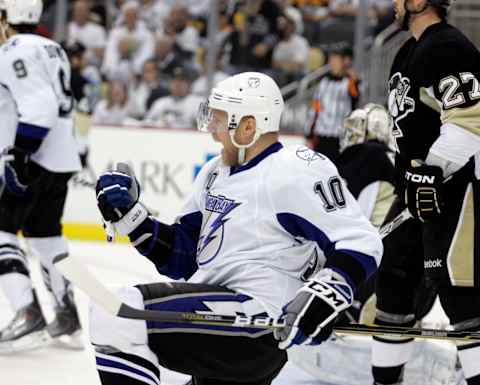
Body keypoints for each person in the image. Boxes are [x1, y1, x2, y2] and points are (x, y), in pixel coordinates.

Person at [90, 72, 383, 385]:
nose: (213, 131)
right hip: (223, 319)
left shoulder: (296, 169)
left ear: (248, 126)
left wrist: (324, 293)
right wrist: (134, 220)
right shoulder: (214, 172)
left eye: (220, 120)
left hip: (260, 319)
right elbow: (184, 258)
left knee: (117, 314)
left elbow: (360, 241)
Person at [371, 1, 480, 384]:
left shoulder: (448, 46)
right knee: (393, 282)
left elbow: (471, 117)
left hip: (456, 189)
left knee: (461, 296)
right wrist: (415, 178)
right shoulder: (407, 50)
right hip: (415, 188)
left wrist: (432, 170)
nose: (393, 5)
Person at [0, 0, 83, 351]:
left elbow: (40, 107)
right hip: (62, 156)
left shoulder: (14, 50)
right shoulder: (53, 48)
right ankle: (67, 316)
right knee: (46, 235)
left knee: (1, 228)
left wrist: (19, 155)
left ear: (8, 18)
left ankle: (27, 312)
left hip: (35, 157)